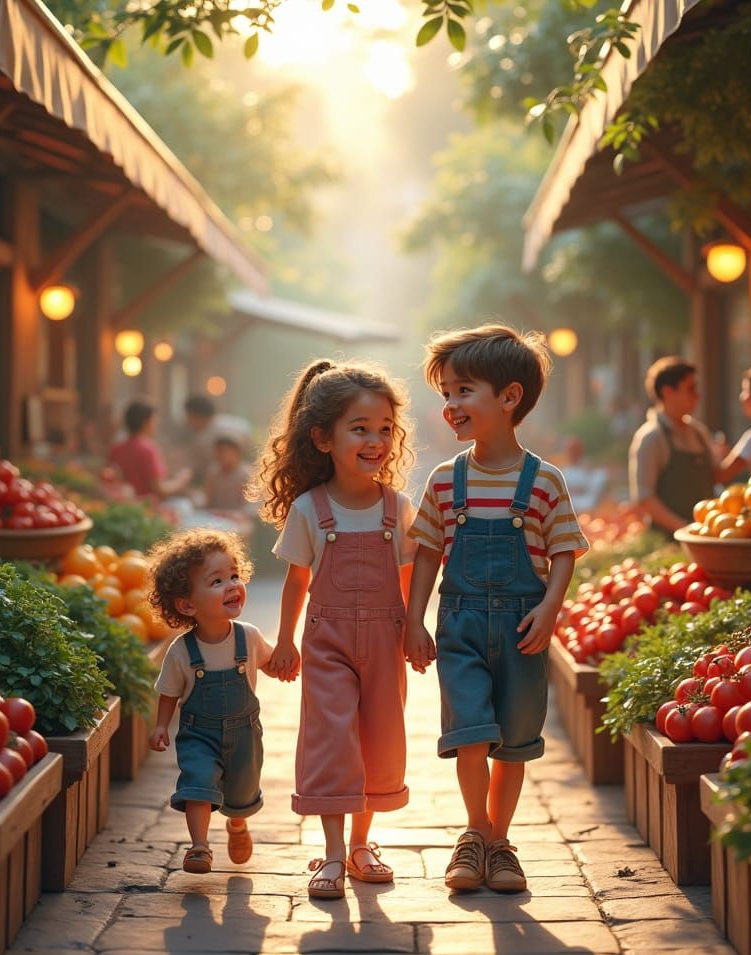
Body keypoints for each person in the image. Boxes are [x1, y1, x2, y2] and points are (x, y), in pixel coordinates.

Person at [403, 325, 588, 894]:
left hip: (523, 628)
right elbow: (429, 553)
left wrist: (551, 608)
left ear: (509, 397)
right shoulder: (443, 480)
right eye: (446, 395)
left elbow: (563, 550)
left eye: (463, 391)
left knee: (513, 740)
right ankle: (476, 833)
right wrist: (413, 620)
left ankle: (501, 842)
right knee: (470, 733)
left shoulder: (544, 481)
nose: (451, 405)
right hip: (458, 624)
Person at [249, 359, 417, 900]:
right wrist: (284, 641)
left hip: (387, 643)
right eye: (360, 428)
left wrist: (417, 629)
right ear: (322, 437)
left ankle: (364, 845)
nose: (376, 441)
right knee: (330, 741)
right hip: (327, 643)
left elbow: (411, 579)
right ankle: (332, 854)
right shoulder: (308, 509)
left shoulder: (399, 508)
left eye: (385, 429)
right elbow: (297, 583)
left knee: (379, 738)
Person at [147, 529, 276, 873]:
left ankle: (237, 824)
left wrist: (287, 663)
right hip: (199, 734)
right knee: (197, 783)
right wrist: (161, 725)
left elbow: (271, 661)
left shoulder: (248, 636)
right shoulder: (181, 651)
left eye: (235, 575)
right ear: (187, 605)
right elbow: (169, 692)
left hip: (244, 735)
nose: (232, 585)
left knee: (241, 794)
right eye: (217, 581)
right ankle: (199, 847)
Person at [628, 357, 718, 535]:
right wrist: (685, 529)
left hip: (705, 535)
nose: (697, 395)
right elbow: (644, 498)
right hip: (667, 541)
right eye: (690, 389)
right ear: (668, 392)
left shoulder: (699, 433)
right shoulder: (651, 437)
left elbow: (716, 475)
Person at [108, 400, 191, 499]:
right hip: (147, 507)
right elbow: (160, 489)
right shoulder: (147, 449)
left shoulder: (116, 448)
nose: (157, 424)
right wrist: (181, 480)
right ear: (146, 422)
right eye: (155, 420)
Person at [183, 395, 250, 488]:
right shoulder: (238, 424)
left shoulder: (203, 438)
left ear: (196, 415)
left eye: (189, 416)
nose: (188, 421)